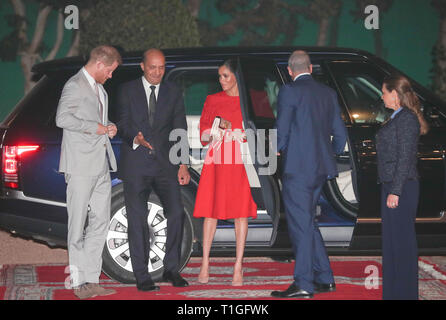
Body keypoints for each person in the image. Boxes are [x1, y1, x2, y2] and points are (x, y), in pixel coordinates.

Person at [272, 50, 347, 299]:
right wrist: (328, 155)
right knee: (308, 223)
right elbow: (340, 134)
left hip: (298, 168)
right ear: (311, 68)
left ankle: (304, 282)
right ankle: (325, 277)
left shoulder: (289, 91)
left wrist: (278, 152)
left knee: (300, 226)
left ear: (290, 71)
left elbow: (281, 131)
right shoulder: (328, 93)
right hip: (321, 169)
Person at [116, 49, 191, 292]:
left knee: (177, 214)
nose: (157, 72)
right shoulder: (127, 90)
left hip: (166, 165)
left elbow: (180, 127)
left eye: (161, 68)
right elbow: (122, 123)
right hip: (136, 165)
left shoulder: (172, 91)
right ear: (142, 66)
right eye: (152, 68)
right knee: (137, 220)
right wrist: (135, 138)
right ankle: (142, 275)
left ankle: (171, 269)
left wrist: (182, 163)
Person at [56, 45, 121, 299]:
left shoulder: (100, 90)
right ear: (100, 65)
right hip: (80, 166)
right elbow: (63, 118)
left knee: (100, 222)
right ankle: (77, 282)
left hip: (101, 165)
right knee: (77, 225)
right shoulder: (74, 85)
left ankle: (92, 279)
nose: (111, 76)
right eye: (111, 71)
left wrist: (109, 126)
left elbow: (100, 124)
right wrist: (94, 127)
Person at [193, 59, 257, 287]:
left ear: (237, 76)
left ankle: (238, 265)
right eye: (219, 76)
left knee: (241, 213)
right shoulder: (213, 100)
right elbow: (202, 133)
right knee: (211, 211)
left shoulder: (253, 100)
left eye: (226, 76)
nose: (221, 80)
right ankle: (205, 262)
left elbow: (262, 131)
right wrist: (217, 128)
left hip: (241, 161)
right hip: (217, 160)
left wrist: (240, 133)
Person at [377, 74, 429, 300]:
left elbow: (405, 158)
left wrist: (395, 190)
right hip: (393, 185)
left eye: (384, 92)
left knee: (402, 246)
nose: (382, 96)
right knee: (391, 246)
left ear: (395, 95)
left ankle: (405, 295)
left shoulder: (406, 119)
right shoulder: (396, 117)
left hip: (402, 188)